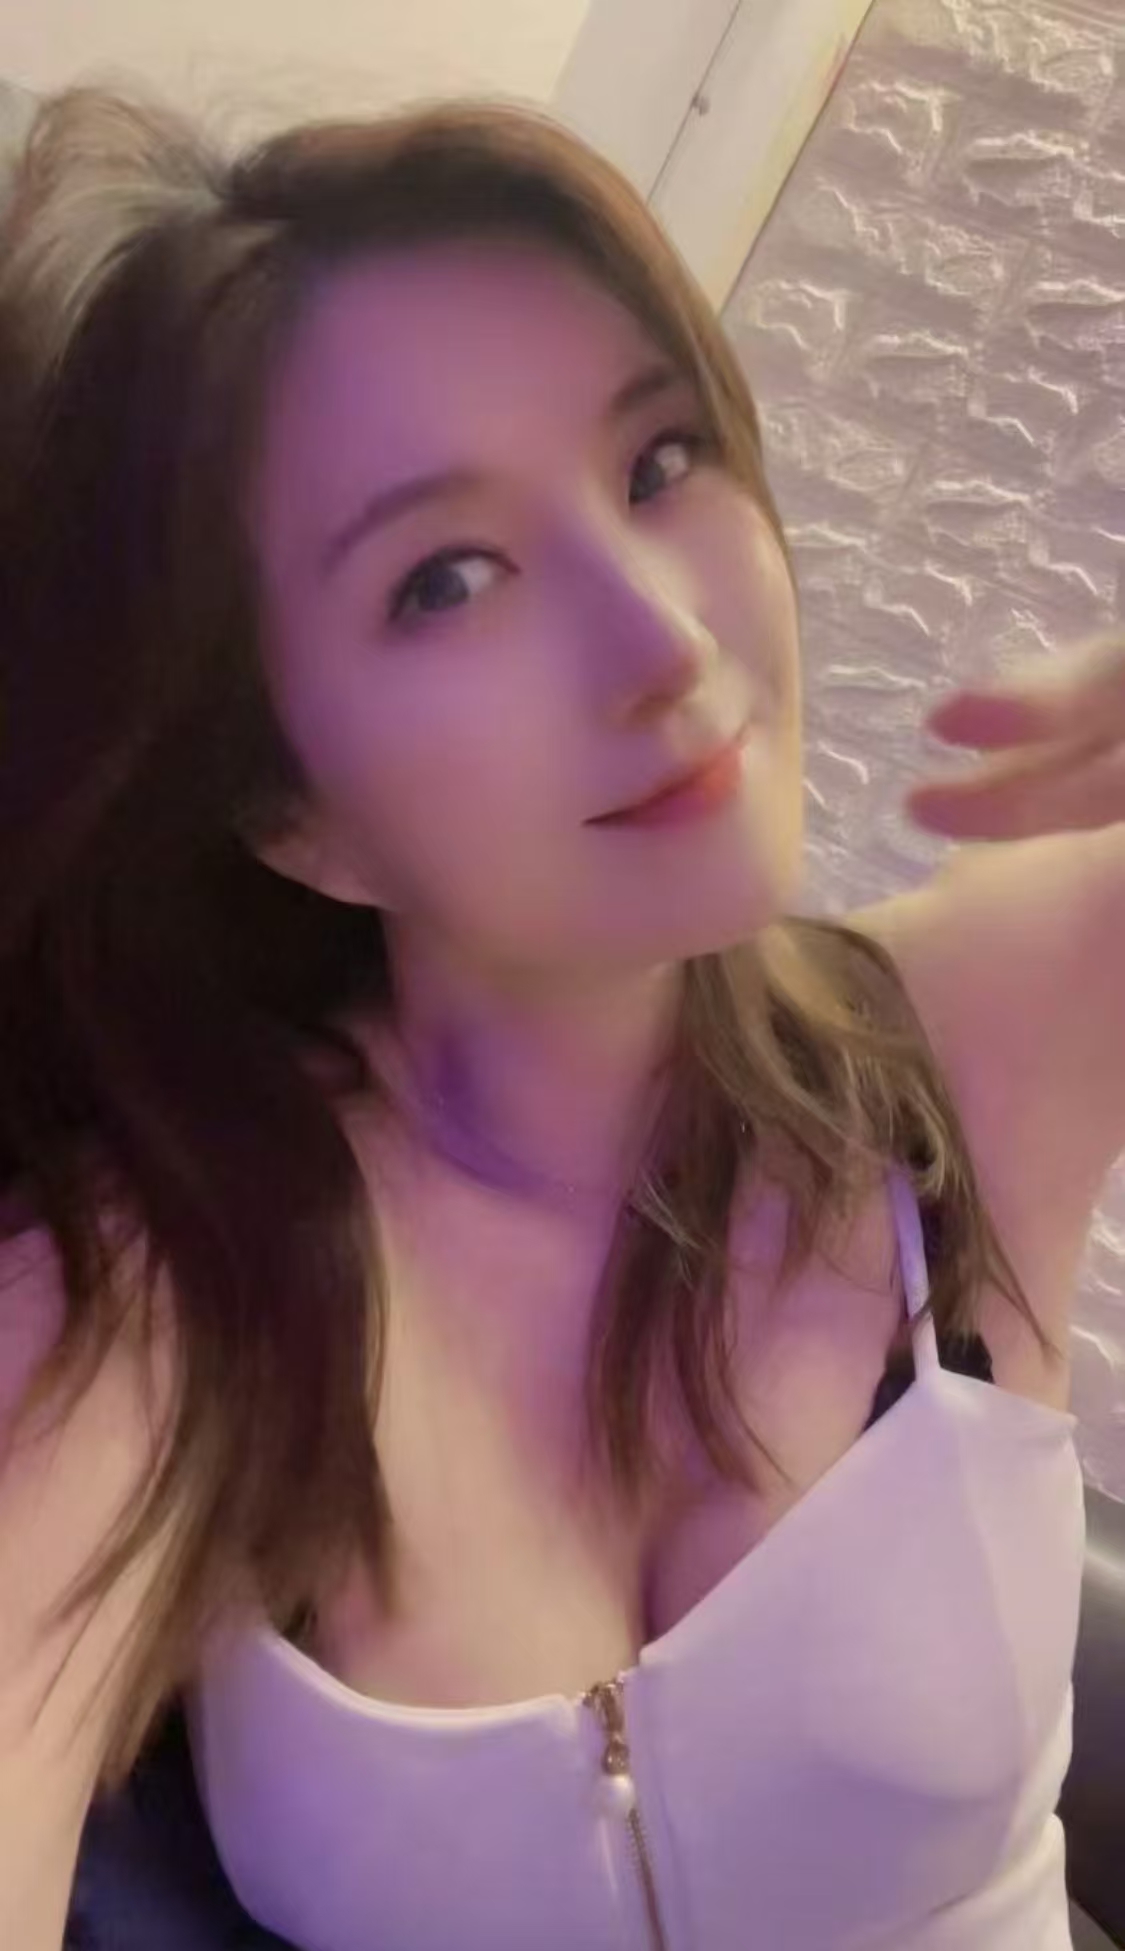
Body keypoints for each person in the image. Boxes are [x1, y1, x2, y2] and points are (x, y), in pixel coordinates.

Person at [1, 84, 1123, 1951]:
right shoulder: (166, 1283)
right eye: (447, 580)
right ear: (287, 810)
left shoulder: (985, 1025)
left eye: (661, 461)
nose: (665, 643)